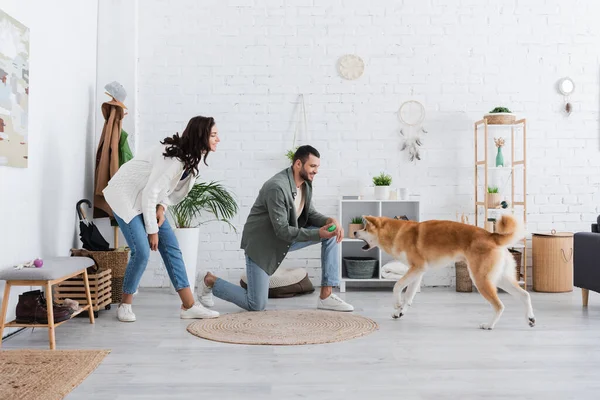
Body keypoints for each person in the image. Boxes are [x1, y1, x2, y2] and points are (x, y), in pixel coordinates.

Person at [197, 145, 354, 312]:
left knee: (332, 233)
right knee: (256, 304)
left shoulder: (306, 183)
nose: (316, 171)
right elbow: (282, 230)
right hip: (263, 245)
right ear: (298, 164)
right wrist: (317, 233)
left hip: (285, 239)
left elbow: (310, 212)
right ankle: (210, 281)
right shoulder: (277, 187)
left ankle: (326, 296)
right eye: (313, 166)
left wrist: (331, 220)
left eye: (317, 167)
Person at [103, 116, 221, 322]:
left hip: (148, 199)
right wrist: (153, 230)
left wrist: (162, 206)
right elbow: (150, 191)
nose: (218, 139)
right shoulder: (175, 159)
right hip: (126, 196)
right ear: (201, 136)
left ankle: (189, 305)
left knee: (172, 248)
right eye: (213, 135)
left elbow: (170, 189)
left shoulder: (193, 157)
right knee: (141, 251)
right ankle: (125, 305)